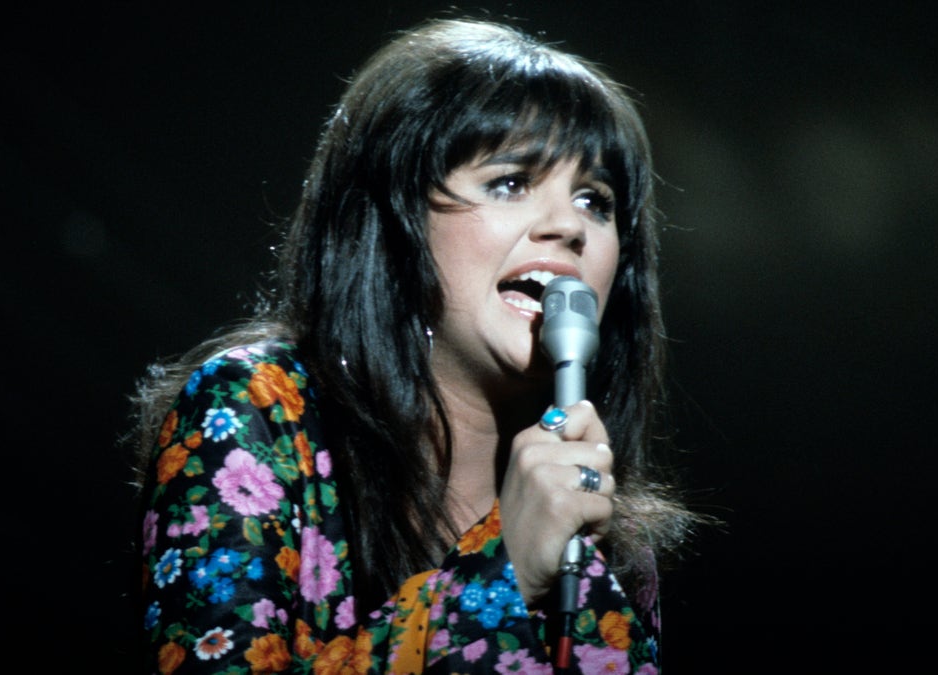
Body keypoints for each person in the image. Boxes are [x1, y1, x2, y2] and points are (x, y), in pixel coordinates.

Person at [128, 16, 701, 673]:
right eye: (510, 183)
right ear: (397, 221)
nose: (569, 225)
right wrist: (504, 564)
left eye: (595, 200)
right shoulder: (254, 413)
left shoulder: (594, 510)